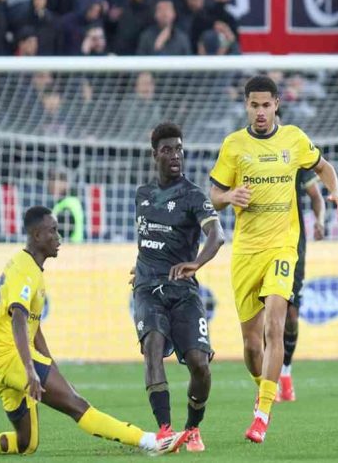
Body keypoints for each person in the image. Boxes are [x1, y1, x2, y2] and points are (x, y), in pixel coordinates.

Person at [0, 206, 189, 456]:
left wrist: (50, 364)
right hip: (12, 357)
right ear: (37, 235)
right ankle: (151, 441)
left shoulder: (28, 266)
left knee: (26, 443)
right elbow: (18, 319)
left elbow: (32, 326)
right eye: (53, 230)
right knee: (77, 406)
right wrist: (30, 368)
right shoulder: (26, 270)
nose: (58, 236)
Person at [209, 75, 338, 443]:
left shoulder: (295, 139)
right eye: (254, 105)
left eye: (266, 105)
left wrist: (335, 194)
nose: (260, 112)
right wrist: (229, 196)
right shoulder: (233, 146)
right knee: (252, 345)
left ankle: (262, 415)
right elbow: (214, 193)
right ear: (246, 106)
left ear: (277, 105)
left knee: (275, 325)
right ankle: (262, 387)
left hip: (283, 248)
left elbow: (324, 168)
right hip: (246, 253)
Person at [130, 123, 225, 452]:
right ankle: (164, 430)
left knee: (200, 363)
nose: (175, 156)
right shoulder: (142, 195)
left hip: (183, 291)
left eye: (179, 149)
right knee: (152, 347)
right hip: (147, 289)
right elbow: (149, 240)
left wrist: (196, 263)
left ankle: (192, 428)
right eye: (168, 149)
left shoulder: (193, 196)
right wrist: (141, 266)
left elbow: (217, 235)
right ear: (155, 154)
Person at [274, 109, 325, 402]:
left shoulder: (295, 155)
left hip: (293, 246)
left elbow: (317, 198)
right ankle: (266, 382)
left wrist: (320, 220)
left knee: (290, 315)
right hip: (259, 244)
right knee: (267, 316)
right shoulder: (249, 153)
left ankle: (286, 373)